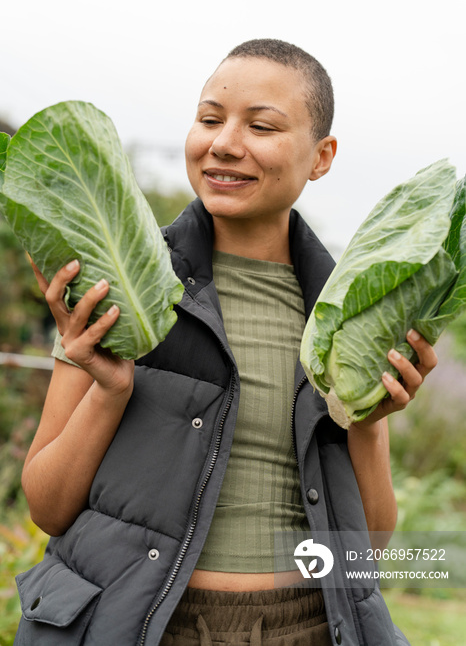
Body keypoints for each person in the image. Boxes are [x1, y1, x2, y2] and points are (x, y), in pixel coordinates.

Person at [14, 39, 437, 646]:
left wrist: (369, 420)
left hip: (308, 628)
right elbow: (47, 508)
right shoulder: (120, 284)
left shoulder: (350, 312)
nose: (223, 142)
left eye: (260, 126)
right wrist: (108, 389)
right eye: (210, 118)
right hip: (140, 625)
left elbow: (367, 550)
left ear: (321, 157)